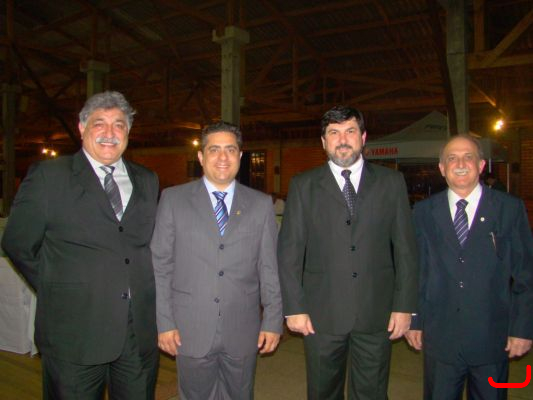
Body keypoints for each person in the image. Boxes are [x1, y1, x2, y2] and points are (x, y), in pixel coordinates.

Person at [1, 91, 160, 399]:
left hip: (136, 329)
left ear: (128, 132)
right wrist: (58, 286)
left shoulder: (147, 179)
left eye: (119, 125)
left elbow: (143, 245)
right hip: (74, 330)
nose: (110, 133)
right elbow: (18, 243)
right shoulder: (50, 176)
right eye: (99, 123)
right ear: (81, 127)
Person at [278, 105, 418, 399]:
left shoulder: (391, 183)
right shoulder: (303, 185)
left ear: (363, 137)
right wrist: (294, 307)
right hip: (320, 314)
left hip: (376, 312)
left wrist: (405, 305)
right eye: (334, 133)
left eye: (350, 131)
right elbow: (289, 251)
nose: (342, 140)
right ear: (323, 141)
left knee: (372, 393)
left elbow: (406, 249)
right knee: (322, 392)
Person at [151, 121, 283, 400]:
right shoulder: (173, 200)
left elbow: (269, 268)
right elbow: (160, 266)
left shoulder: (260, 204)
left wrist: (272, 320)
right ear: (201, 157)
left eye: (230, 150)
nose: (223, 157)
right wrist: (164, 322)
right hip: (189, 327)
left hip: (243, 328)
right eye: (214, 150)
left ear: (240, 155)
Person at [405, 134, 533, 399]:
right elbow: (417, 271)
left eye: (468, 157)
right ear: (442, 168)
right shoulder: (423, 212)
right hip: (440, 339)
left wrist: (522, 329)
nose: (460, 164)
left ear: (481, 165)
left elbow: (526, 274)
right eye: (452, 158)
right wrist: (414, 320)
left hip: (492, 339)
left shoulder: (509, 209)